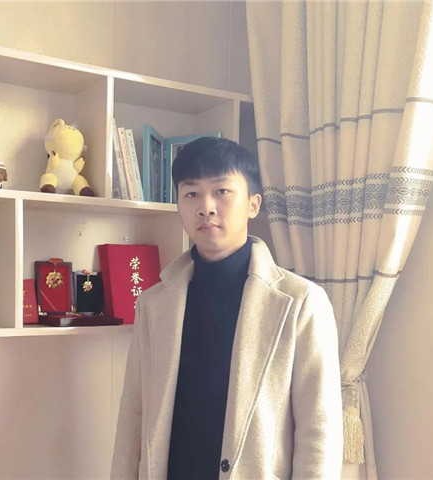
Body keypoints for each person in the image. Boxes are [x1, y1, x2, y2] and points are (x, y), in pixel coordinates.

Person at [111, 137, 343, 479]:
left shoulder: (301, 302)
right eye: (191, 193)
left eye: (222, 191)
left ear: (253, 204)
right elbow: (134, 414)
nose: (206, 207)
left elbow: (319, 431)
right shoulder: (154, 303)